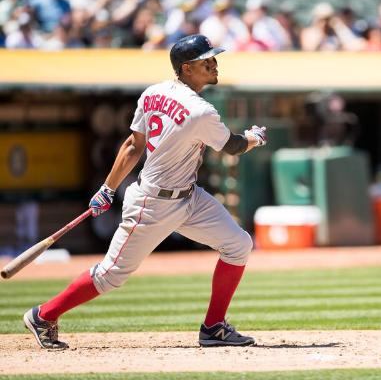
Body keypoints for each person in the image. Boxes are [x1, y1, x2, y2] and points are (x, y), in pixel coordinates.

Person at [23, 34, 267, 349]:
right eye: (205, 60)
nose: (214, 63)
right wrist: (255, 137)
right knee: (111, 276)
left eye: (213, 57)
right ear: (186, 68)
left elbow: (132, 145)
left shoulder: (153, 92)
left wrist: (107, 189)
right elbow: (233, 146)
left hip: (188, 197)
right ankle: (44, 315)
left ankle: (214, 327)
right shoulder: (200, 110)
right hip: (153, 203)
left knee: (238, 245)